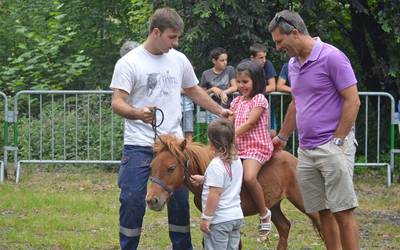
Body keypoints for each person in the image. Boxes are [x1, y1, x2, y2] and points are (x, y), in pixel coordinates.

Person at [110, 7, 231, 250]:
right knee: (132, 198)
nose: (175, 43)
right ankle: (128, 246)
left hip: (174, 145)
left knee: (179, 203)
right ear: (156, 32)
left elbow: (193, 90)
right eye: (172, 37)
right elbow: (117, 102)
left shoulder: (179, 59)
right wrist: (137, 113)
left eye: (177, 38)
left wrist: (220, 112)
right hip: (139, 144)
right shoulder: (129, 63)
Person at [269, 10, 360, 249]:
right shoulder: (292, 64)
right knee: (323, 213)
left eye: (280, 41)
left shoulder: (332, 57)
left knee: (343, 212)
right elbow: (297, 103)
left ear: (296, 33)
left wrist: (338, 141)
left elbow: (353, 100)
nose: (278, 47)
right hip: (306, 150)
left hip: (332, 146)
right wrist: (282, 137)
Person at [230, 61, 274, 241]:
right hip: (238, 146)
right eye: (239, 82)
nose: (241, 86)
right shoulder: (236, 101)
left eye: (245, 82)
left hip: (256, 146)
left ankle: (264, 213)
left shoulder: (260, 100)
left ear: (256, 81)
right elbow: (230, 122)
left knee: (248, 177)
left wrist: (229, 135)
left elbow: (249, 123)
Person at [191, 119, 244, 250]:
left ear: (212, 143)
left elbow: (215, 194)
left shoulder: (216, 165)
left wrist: (206, 218)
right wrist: (204, 179)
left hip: (219, 220)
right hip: (235, 217)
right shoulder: (236, 161)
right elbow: (228, 181)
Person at [200, 47, 238, 123]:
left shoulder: (230, 70)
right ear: (214, 61)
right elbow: (202, 93)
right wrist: (212, 89)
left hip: (229, 108)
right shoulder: (206, 74)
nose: (225, 62)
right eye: (222, 60)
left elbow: (235, 87)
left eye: (226, 60)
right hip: (213, 109)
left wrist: (222, 92)